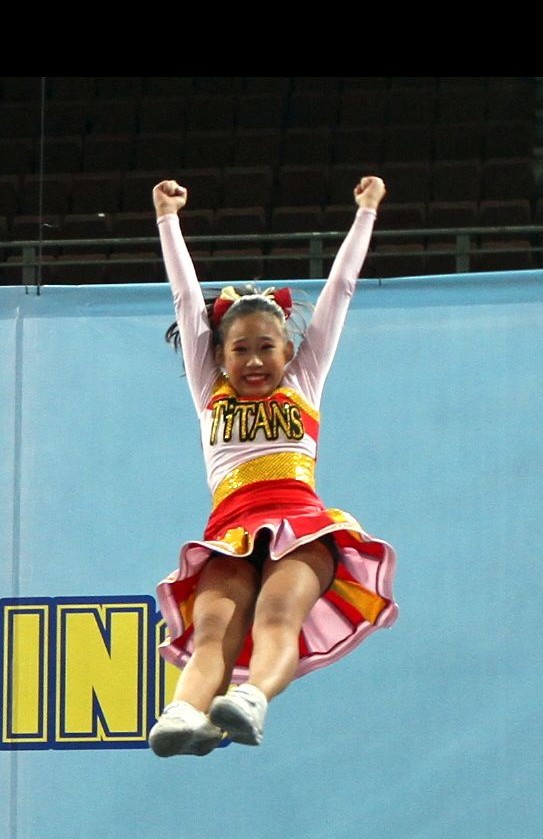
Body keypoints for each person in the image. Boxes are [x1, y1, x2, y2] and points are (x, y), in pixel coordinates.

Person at [145, 174, 396, 756]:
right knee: (213, 632)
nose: (255, 361)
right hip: (229, 534)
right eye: (240, 350)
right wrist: (167, 219)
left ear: (289, 352)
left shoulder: (303, 383)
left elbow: (340, 291)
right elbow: (185, 300)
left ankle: (252, 699)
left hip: (300, 527)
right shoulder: (209, 391)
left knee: (277, 618)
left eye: (267, 348)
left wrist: (365, 212)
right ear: (218, 355)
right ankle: (184, 712)